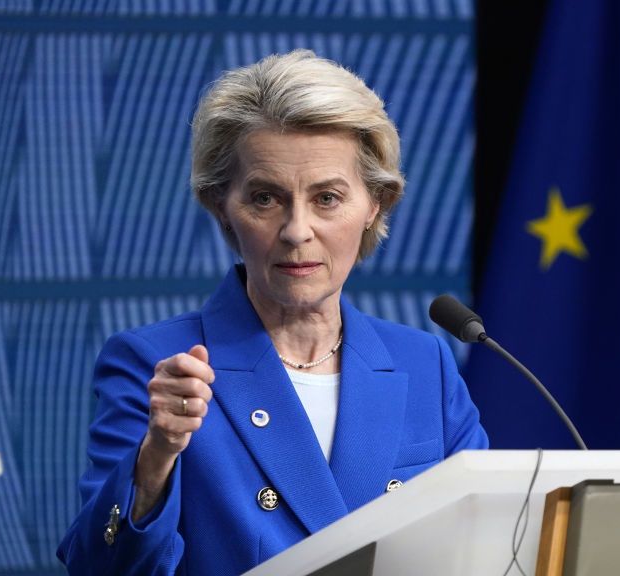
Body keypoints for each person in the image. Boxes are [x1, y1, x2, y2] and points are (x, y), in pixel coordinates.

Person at [57, 49, 488, 575]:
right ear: (221, 205)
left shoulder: (425, 363)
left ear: (376, 202)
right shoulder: (155, 364)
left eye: (328, 198)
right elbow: (97, 568)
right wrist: (156, 457)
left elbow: (486, 544)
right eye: (265, 198)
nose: (296, 230)